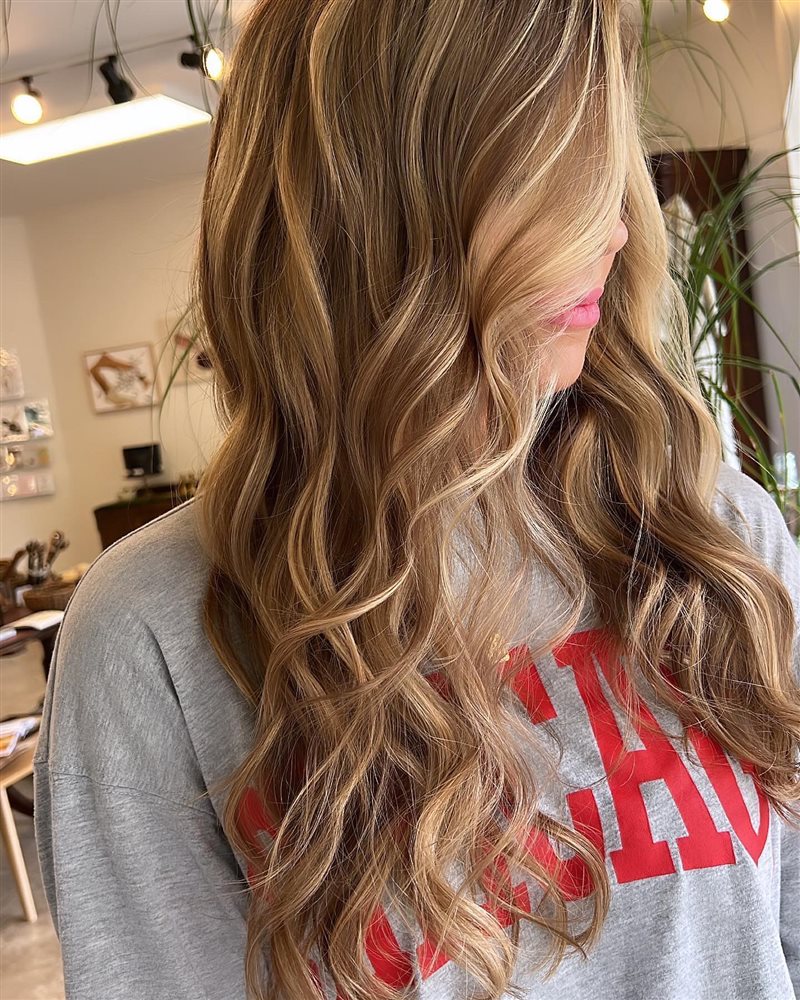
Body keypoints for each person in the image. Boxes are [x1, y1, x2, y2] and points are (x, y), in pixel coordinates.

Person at [33, 1, 800, 999]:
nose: (613, 229)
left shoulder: (712, 536)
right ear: (378, 207)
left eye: (605, 170)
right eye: (548, 177)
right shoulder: (158, 631)